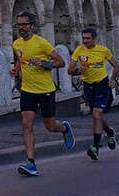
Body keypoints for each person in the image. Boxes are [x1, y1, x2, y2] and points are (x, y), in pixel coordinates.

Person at [9, 11, 74, 176]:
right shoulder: (16, 44)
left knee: (50, 126)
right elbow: (21, 58)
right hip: (27, 90)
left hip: (45, 90)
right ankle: (31, 163)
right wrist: (16, 69)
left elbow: (61, 62)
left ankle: (64, 128)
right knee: (26, 124)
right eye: (19, 25)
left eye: (24, 25)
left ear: (32, 26)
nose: (21, 28)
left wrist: (45, 63)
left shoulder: (42, 43)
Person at [68, 28, 119, 161]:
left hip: (102, 85)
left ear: (94, 39)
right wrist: (79, 70)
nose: (85, 41)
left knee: (96, 114)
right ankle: (109, 131)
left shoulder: (103, 50)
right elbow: (70, 70)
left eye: (87, 38)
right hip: (88, 87)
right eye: (83, 38)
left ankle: (95, 147)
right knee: (97, 116)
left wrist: (113, 80)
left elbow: (116, 66)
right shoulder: (79, 51)